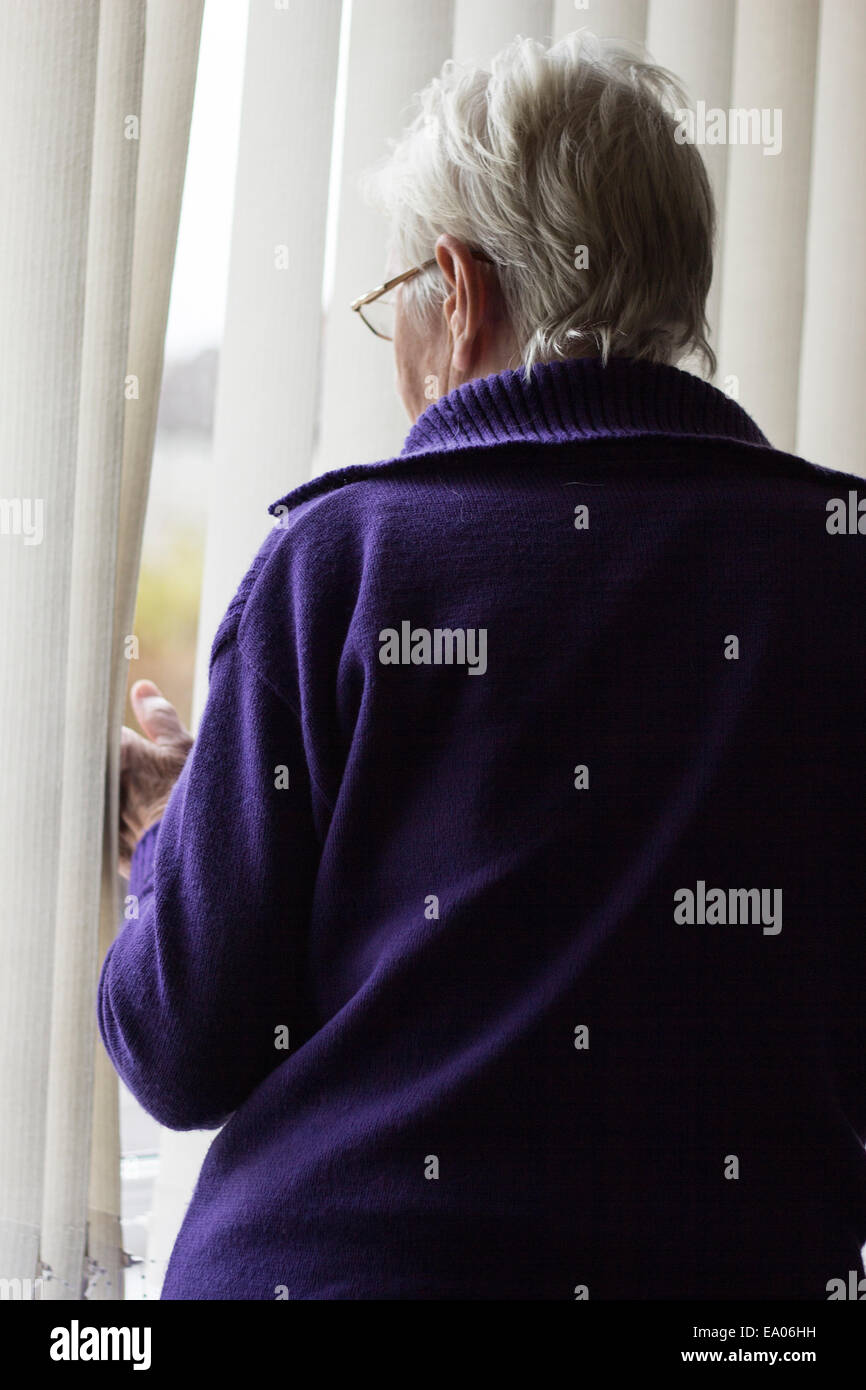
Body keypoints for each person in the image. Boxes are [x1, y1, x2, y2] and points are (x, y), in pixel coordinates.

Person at [100, 32, 866, 1300]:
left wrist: (173, 848)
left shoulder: (341, 559)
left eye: (392, 295)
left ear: (453, 288)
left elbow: (178, 1045)